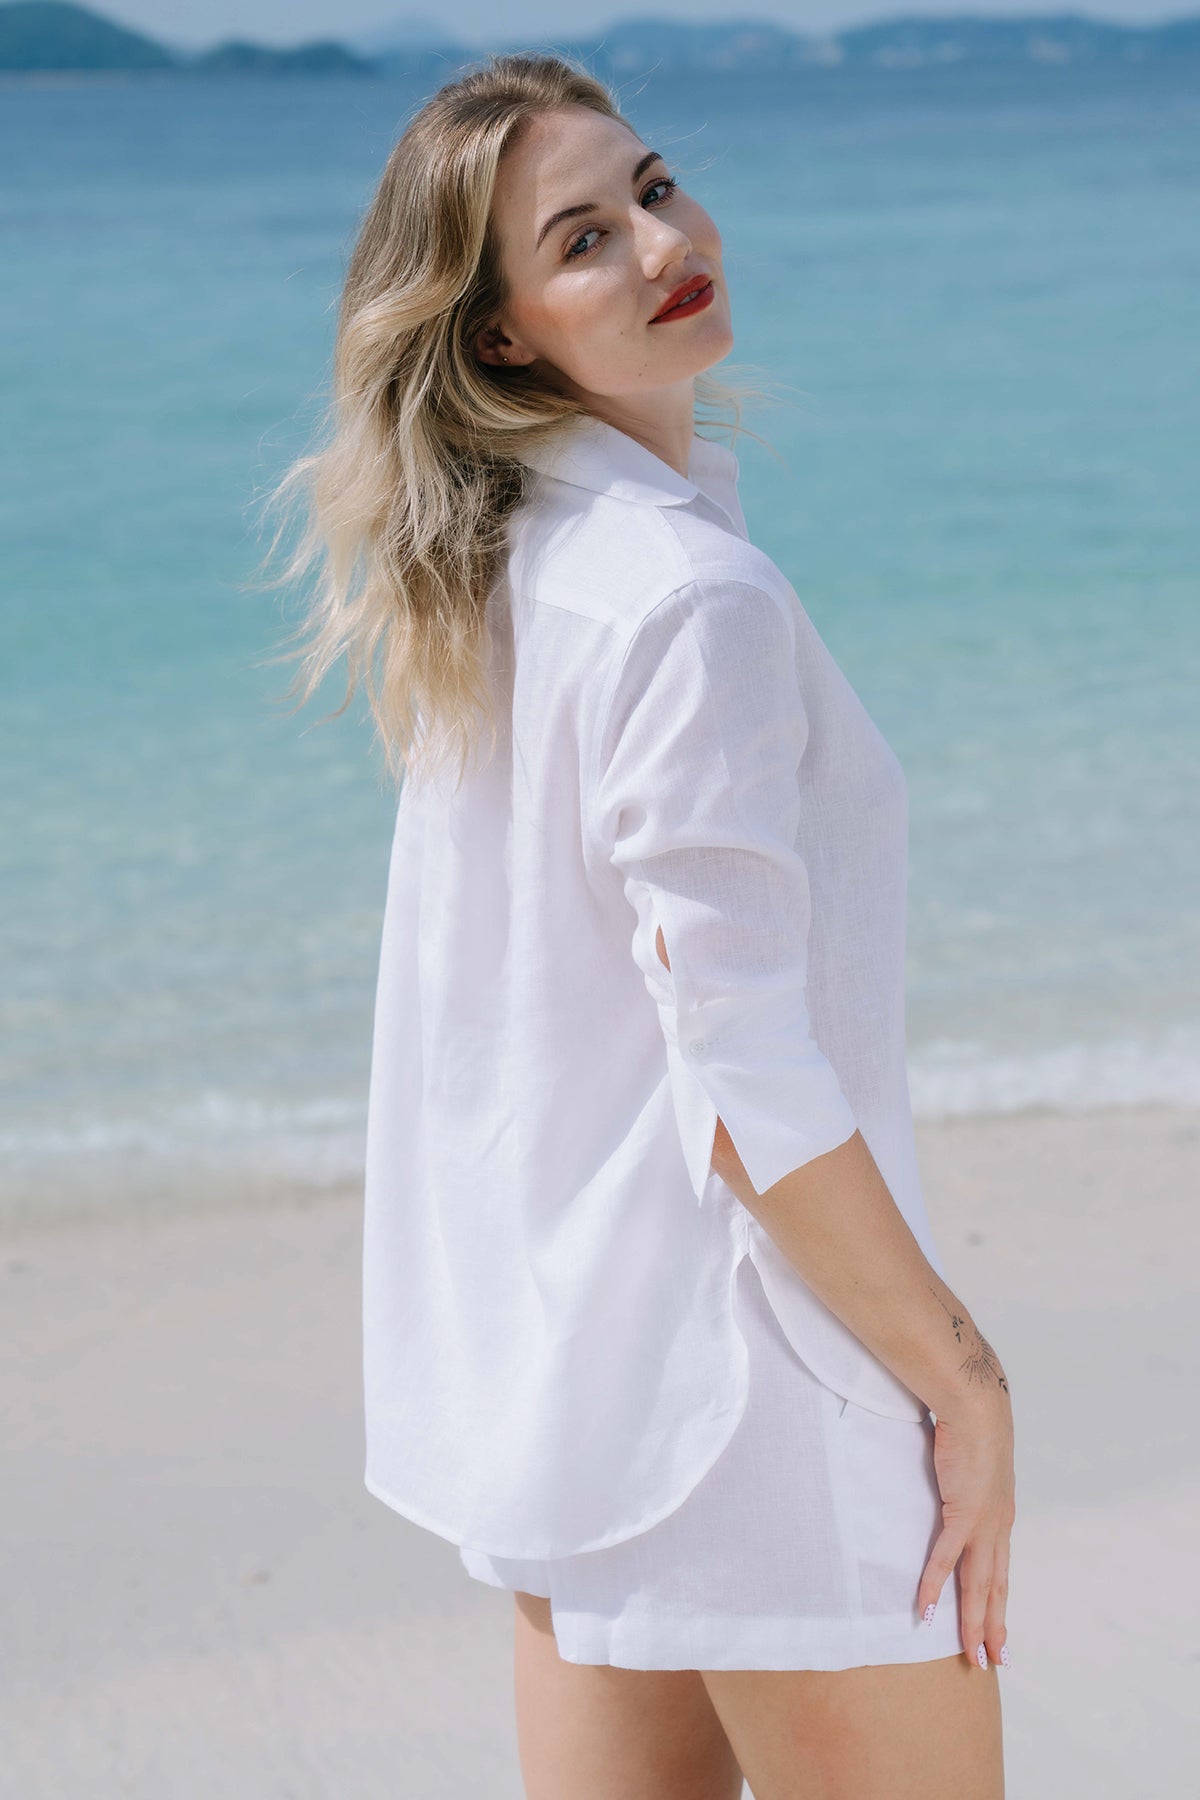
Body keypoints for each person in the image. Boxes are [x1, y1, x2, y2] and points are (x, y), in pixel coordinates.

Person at [262, 49, 1014, 1800]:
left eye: (654, 188)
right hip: (762, 1393)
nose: (665, 243)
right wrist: (963, 1379)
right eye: (582, 237)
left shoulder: (512, 577)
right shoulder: (681, 598)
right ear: (502, 333)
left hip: (581, 1400)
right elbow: (743, 1066)